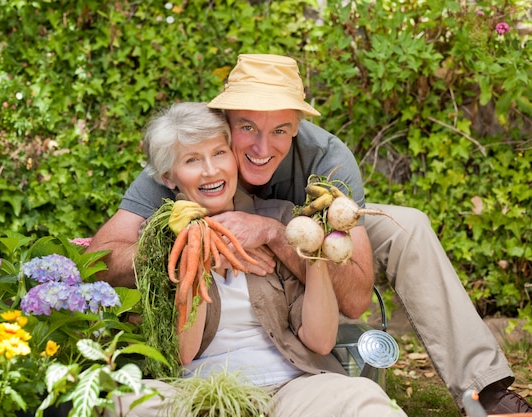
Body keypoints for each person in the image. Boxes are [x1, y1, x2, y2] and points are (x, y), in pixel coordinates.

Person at [88, 54, 532, 414]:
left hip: (308, 231)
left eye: (280, 129)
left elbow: (355, 300)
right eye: (247, 128)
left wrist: (274, 233)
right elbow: (103, 257)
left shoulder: (327, 157)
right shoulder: (196, 154)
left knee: (408, 224)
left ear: (297, 125)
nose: (262, 149)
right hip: (212, 265)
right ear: (224, 120)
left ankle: (485, 389)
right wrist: (190, 241)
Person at [116, 101, 406, 416]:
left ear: (234, 157)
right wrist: (197, 257)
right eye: (192, 160)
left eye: (219, 153)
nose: (211, 170)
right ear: (170, 177)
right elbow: (183, 354)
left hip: (290, 385)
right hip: (197, 391)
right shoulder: (159, 241)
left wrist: (313, 253)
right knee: (128, 401)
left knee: (363, 398)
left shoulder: (281, 219)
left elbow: (321, 342)